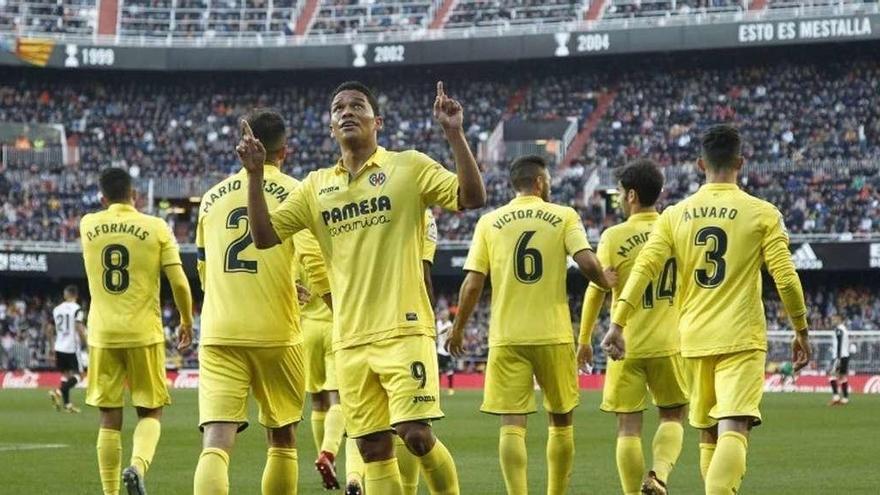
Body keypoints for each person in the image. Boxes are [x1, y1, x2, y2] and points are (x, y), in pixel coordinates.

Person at [239, 80, 486, 495]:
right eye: (339, 108)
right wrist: (254, 175)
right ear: (331, 127)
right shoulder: (315, 187)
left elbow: (471, 196)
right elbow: (263, 237)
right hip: (350, 338)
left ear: (378, 122)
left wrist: (453, 133)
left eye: (357, 106)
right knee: (372, 449)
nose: (347, 112)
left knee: (415, 435)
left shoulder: (409, 166)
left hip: (404, 329)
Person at [602, 125, 812, 495]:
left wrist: (617, 322)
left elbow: (644, 270)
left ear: (701, 164)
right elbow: (786, 278)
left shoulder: (676, 215)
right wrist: (801, 329)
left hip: (694, 339)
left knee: (708, 434)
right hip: (741, 336)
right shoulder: (763, 213)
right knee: (734, 427)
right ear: (741, 163)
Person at [447, 154, 616, 495]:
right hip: (552, 335)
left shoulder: (489, 222)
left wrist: (459, 327)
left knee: (512, 423)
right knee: (561, 420)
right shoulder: (563, 216)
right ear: (540, 182)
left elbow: (474, 283)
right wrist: (606, 281)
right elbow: (586, 263)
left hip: (507, 336)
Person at [192, 110, 306, 495]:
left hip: (219, 329)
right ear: (283, 152)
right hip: (276, 330)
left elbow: (204, 272)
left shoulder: (209, 199)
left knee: (217, 441)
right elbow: (312, 263)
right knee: (282, 436)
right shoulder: (296, 191)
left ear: (244, 146)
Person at [81, 167, 193, 495]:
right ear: (136, 196)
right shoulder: (156, 227)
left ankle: (111, 492)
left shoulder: (87, 225)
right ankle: (138, 465)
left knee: (108, 417)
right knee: (150, 411)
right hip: (144, 332)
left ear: (102, 198)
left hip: (102, 334)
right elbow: (179, 283)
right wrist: (186, 322)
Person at [579, 159, 688, 495]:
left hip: (623, 343)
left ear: (631, 195)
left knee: (628, 426)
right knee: (673, 416)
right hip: (670, 342)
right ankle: (659, 474)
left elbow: (597, 288)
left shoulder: (614, 236)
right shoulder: (676, 230)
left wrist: (583, 339)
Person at [48, 285, 88, 413]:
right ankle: (58, 391)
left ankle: (67, 405)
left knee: (66, 375)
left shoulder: (56, 309)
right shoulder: (77, 309)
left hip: (59, 347)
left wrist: (51, 345)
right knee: (81, 375)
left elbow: (49, 329)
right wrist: (86, 343)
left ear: (66, 295)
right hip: (72, 347)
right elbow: (79, 326)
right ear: (76, 295)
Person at [828, 315, 851, 405]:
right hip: (845, 356)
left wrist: (838, 358)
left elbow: (839, 344)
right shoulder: (845, 329)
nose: (832, 320)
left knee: (832, 376)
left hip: (839, 357)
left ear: (839, 319)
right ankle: (845, 398)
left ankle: (836, 397)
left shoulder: (839, 330)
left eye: (834, 319)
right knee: (842, 377)